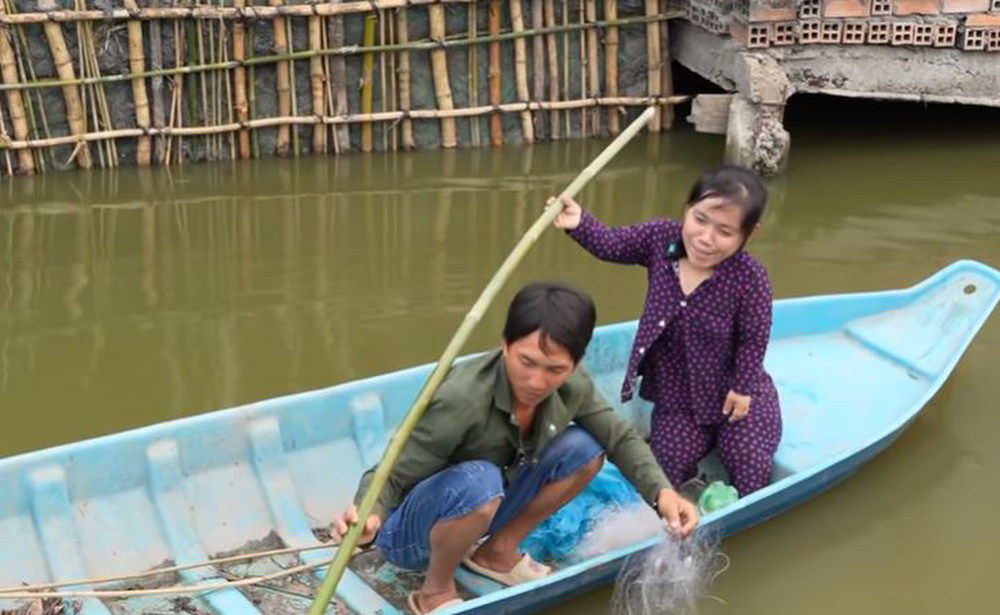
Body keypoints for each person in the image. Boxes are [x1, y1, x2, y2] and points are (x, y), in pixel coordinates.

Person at [331, 282, 698, 614]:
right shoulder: (462, 398)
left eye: (555, 369)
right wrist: (369, 516)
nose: (537, 382)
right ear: (505, 345)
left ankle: (497, 551)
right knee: (481, 480)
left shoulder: (573, 385)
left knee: (586, 447)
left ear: (576, 362)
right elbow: (391, 474)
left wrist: (662, 494)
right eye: (526, 362)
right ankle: (433, 592)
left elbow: (619, 436)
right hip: (412, 537)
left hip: (486, 507)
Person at [552, 165, 782, 498]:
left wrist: (743, 387)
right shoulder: (660, 238)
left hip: (734, 396)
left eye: (724, 231)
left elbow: (754, 336)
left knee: (748, 462)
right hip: (677, 397)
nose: (705, 238)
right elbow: (613, 244)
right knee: (663, 472)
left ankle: (739, 509)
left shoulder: (750, 277)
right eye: (699, 219)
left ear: (749, 233)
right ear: (687, 210)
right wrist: (579, 223)